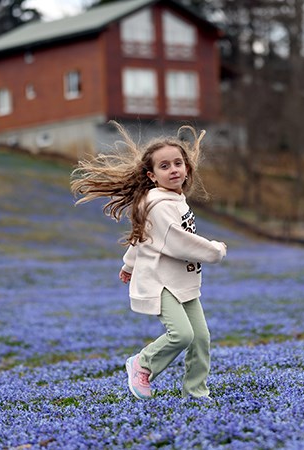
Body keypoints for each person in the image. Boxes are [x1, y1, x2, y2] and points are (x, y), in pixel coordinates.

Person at [70, 122, 227, 400]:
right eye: (164, 166)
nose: (174, 169)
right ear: (152, 175)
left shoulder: (172, 199)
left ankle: (196, 392)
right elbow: (179, 243)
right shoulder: (162, 205)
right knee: (181, 335)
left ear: (187, 168)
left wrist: (129, 264)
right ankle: (143, 363)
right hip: (160, 281)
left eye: (178, 163)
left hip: (182, 278)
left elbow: (143, 237)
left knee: (200, 337)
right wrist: (215, 251)